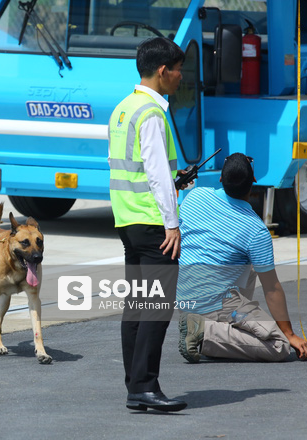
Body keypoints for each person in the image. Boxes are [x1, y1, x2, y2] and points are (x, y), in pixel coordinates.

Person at [108, 37, 187, 412]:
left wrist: (175, 179)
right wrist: (172, 224)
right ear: (162, 71)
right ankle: (144, 385)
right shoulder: (153, 113)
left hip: (127, 218)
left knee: (138, 305)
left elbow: (136, 169)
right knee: (157, 306)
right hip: (154, 223)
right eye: (177, 69)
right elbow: (155, 175)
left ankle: (136, 386)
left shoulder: (124, 108)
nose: (180, 76)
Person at [177, 153, 307, 363]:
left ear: (221, 179)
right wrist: (290, 334)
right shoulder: (255, 229)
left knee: (249, 261)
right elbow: (272, 288)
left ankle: (211, 324)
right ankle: (205, 332)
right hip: (215, 303)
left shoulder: (195, 197)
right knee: (279, 345)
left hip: (185, 297)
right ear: (253, 183)